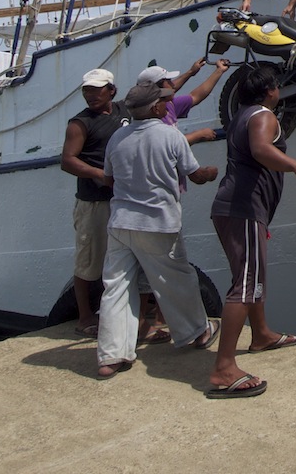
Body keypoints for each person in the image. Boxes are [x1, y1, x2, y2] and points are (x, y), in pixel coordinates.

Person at [205, 64, 296, 398]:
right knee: (245, 284)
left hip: (238, 210)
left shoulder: (241, 115)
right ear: (271, 90)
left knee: (250, 275)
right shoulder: (262, 116)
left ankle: (261, 334)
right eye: (277, 87)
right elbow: (261, 149)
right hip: (242, 209)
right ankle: (223, 368)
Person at [95, 81, 220, 379]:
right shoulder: (170, 136)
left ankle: (111, 357)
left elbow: (109, 178)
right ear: (154, 107)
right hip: (158, 223)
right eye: (164, 101)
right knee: (177, 280)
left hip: (121, 223)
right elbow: (196, 175)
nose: (167, 104)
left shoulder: (116, 138)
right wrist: (211, 173)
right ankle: (198, 332)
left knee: (116, 288)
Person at [59, 68, 132, 337]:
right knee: (89, 261)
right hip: (94, 203)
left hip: (122, 200)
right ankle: (85, 317)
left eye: (96, 89)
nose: (90, 95)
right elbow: (68, 160)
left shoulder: (124, 111)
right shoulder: (80, 123)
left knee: (123, 258)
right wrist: (99, 175)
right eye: (86, 90)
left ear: (111, 90)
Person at [135, 58, 232, 144]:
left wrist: (219, 71)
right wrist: (198, 135)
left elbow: (195, 96)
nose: (173, 85)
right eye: (168, 81)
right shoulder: (149, 118)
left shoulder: (169, 105)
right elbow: (168, 145)